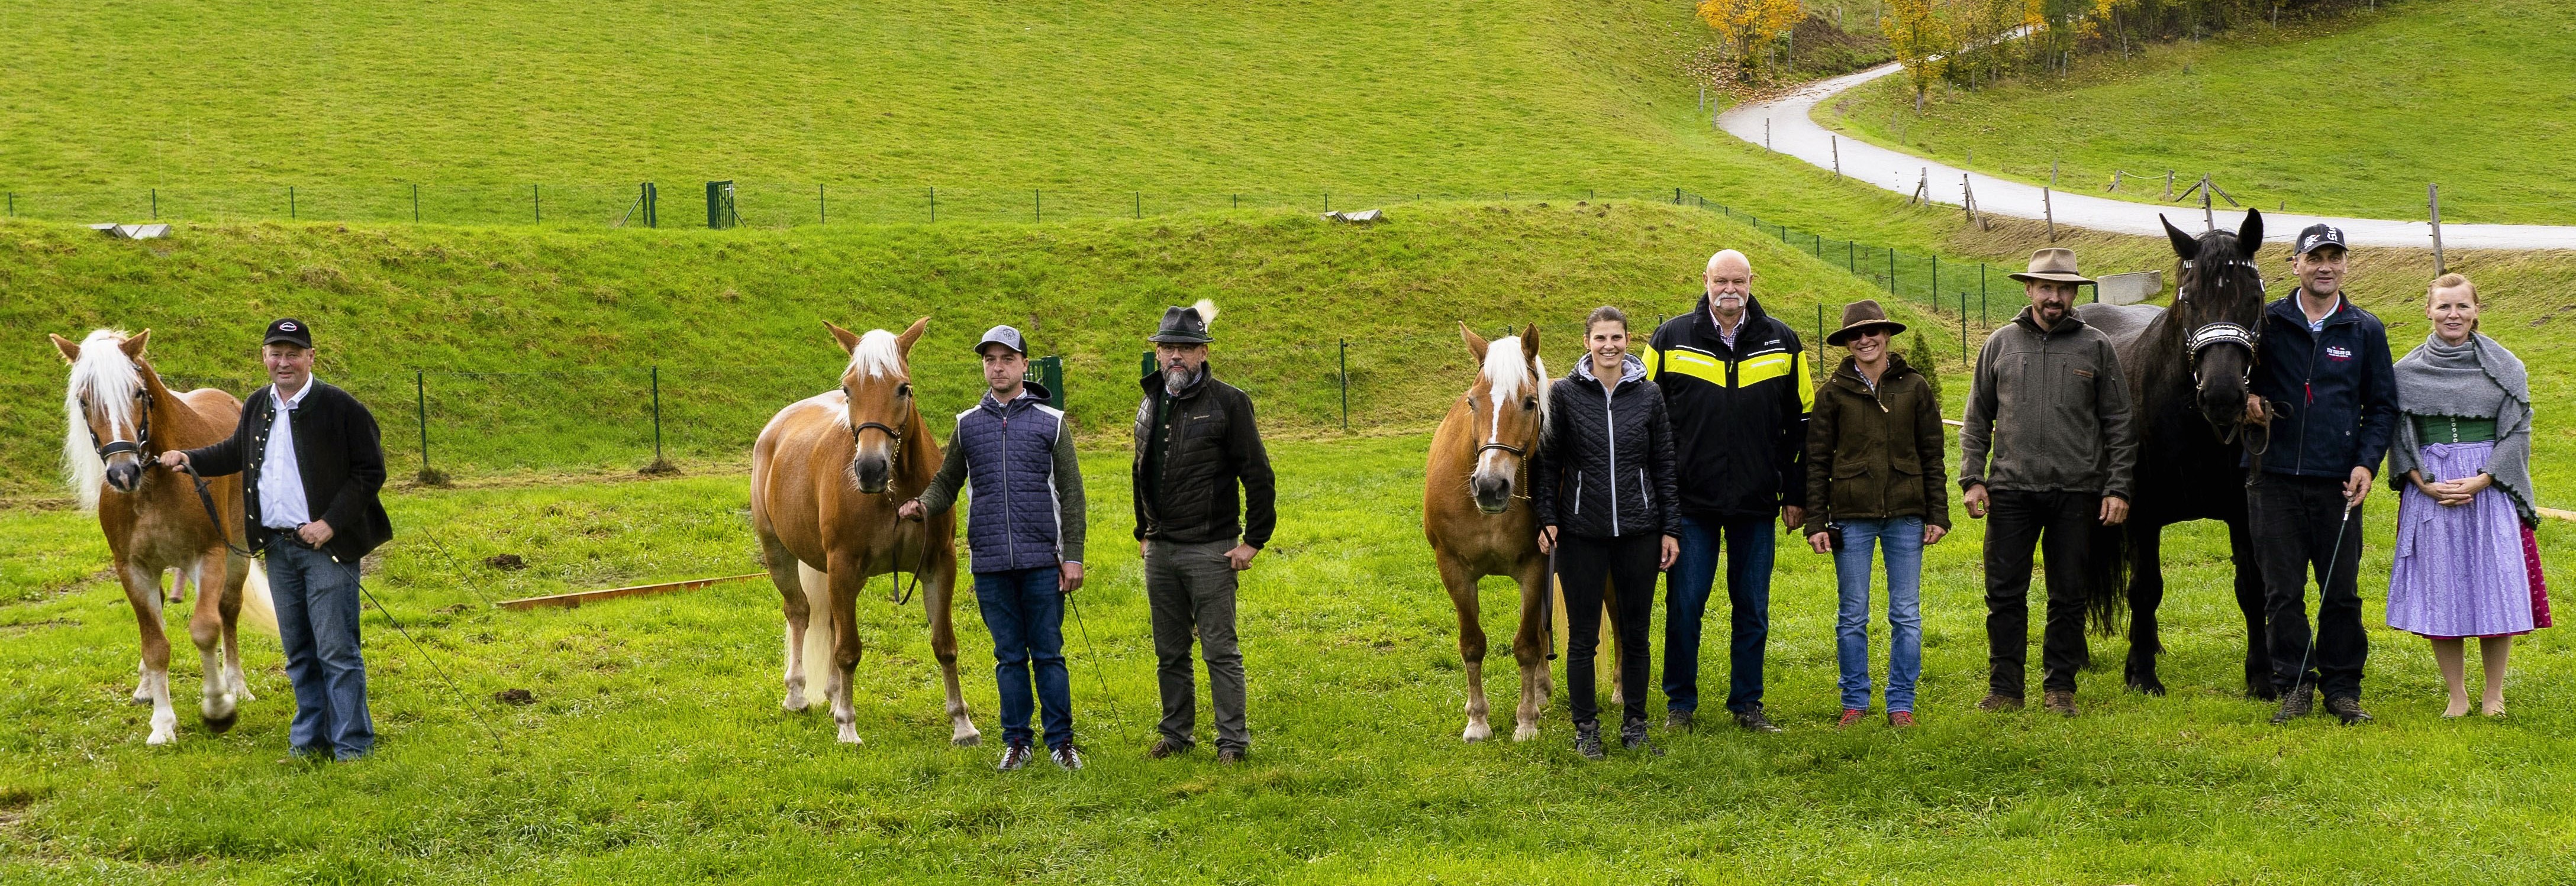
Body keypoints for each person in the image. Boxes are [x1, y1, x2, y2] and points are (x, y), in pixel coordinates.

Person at [160, 318, 391, 762]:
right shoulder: (257, 405)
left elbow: (370, 472)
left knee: (337, 650)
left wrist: (329, 524)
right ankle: (309, 743)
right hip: (279, 548)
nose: (283, 362)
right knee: (300, 652)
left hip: (327, 548)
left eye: (293, 353)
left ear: (310, 358)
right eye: (275, 353)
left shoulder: (340, 408)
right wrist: (189, 458)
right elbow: (235, 453)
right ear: (264, 357)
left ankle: (352, 747)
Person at [901, 325, 1089, 771]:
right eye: (990, 360)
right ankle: (1017, 741)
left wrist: (1074, 556)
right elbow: (947, 482)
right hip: (989, 564)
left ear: (1025, 364)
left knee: (1048, 654)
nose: (998, 367)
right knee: (1008, 657)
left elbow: (1072, 494)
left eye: (1007, 358)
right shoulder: (968, 425)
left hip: (1043, 562)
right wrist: (923, 506)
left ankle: (1061, 742)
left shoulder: (1052, 423)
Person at [1959, 248, 2136, 717]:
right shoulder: (1999, 344)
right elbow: (1976, 417)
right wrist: (1972, 478)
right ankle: (2005, 688)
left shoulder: (2096, 346)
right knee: (2003, 593)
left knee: (2069, 593)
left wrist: (2117, 487)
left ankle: (2060, 687)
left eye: (2062, 289)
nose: (2053, 296)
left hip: (2077, 492)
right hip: (2011, 491)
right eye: (2045, 287)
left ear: (2074, 293)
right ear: (2028, 289)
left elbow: (2119, 422)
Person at [1643, 249, 1810, 733]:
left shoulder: (1782, 340)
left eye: (1738, 280)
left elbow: (1804, 423)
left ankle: (1747, 705)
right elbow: (1644, 417)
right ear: (1705, 282)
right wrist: (1658, 494)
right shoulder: (1671, 337)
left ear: (1751, 281)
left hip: (1756, 503)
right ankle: (1680, 706)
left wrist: (1793, 494)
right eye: (1721, 281)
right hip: (1689, 504)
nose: (1729, 289)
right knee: (1685, 605)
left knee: (1752, 607)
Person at [2243, 224, 2400, 726]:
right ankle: (2293, 685)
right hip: (2273, 479)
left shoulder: (2364, 329)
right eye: (2314, 257)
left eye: (2334, 257)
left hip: (2338, 483)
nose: (2324, 266)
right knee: (2281, 591)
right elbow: (2229, 384)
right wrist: (2246, 402)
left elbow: (2381, 408)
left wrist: (2365, 464)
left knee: (2340, 590)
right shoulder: (2264, 324)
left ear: (2346, 265)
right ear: (2295, 264)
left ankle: (2342, 689)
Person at [2384, 273, 2547, 718]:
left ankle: (2493, 694)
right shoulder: (2404, 372)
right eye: (2443, 307)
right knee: (2442, 590)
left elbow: (2517, 430)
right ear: (2428, 311)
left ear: (2476, 311)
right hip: (2432, 490)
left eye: (2461, 307)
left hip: (2486, 488)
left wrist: (2484, 478)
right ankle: (2456, 694)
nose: (2452, 315)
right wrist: (2419, 479)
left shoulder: (2505, 367)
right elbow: (2398, 432)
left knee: (2494, 588)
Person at [1533, 306, 1680, 759]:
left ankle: (1635, 724)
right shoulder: (1563, 395)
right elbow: (1547, 462)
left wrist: (1669, 527)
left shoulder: (1649, 395)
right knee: (1582, 637)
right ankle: (1586, 728)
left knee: (1635, 635)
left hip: (1639, 530)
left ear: (1627, 340)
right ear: (1586, 343)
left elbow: (1664, 466)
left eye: (1616, 338)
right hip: (1581, 533)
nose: (1609, 346)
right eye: (1600, 339)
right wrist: (1547, 518)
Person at [1133, 300, 1276, 764]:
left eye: (1187, 347)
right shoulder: (1151, 399)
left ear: (1203, 353)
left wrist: (1253, 541)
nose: (1176, 355)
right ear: (1156, 352)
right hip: (1160, 549)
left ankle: (1232, 743)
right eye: (1168, 346)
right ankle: (1176, 735)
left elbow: (1258, 474)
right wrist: (1143, 530)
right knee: (1169, 652)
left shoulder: (1230, 403)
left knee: (1220, 651)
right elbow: (1140, 468)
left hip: (1212, 548)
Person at [1802, 300, 1949, 729]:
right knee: (1852, 613)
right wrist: (1816, 521)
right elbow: (1816, 461)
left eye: (1872, 332)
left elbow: (1932, 455)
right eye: (1855, 335)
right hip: (1851, 516)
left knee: (1905, 613)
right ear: (1846, 344)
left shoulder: (1915, 387)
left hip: (1905, 514)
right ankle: (1854, 701)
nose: (1864, 340)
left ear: (1886, 336)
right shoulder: (1831, 393)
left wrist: (1936, 514)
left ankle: (1900, 703)